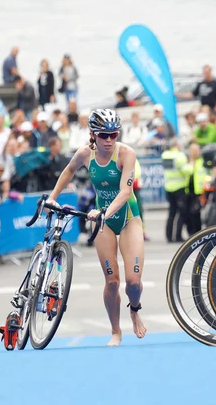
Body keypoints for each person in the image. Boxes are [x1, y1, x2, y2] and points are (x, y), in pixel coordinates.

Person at [45, 109, 146, 346]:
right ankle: (115, 331)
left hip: (128, 218)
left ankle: (135, 309)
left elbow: (125, 191)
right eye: (104, 135)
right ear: (93, 135)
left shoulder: (126, 153)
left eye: (113, 134)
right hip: (103, 223)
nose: (109, 139)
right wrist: (52, 197)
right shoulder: (84, 154)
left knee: (133, 282)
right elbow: (68, 171)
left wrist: (103, 212)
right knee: (112, 281)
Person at [162, 138, 188, 243]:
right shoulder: (180, 156)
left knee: (171, 212)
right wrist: (191, 165)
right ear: (177, 145)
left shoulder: (165, 155)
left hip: (168, 187)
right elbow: (186, 170)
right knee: (181, 213)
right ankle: (177, 236)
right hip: (179, 187)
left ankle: (168, 236)